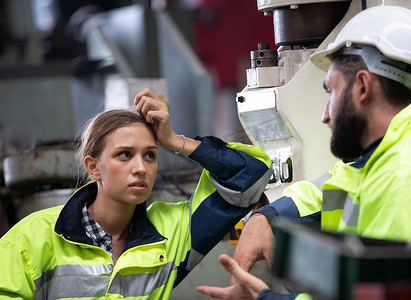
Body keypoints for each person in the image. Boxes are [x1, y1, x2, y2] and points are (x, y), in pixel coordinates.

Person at [197, 5, 411, 300]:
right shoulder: (409, 144)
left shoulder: (407, 177)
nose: (325, 116)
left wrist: (264, 299)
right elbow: (331, 186)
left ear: (363, 87)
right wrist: (269, 216)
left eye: (331, 91)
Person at [0, 88, 272, 299]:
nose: (141, 168)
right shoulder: (30, 239)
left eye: (150, 155)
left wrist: (174, 141)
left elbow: (250, 175)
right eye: (125, 155)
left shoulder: (171, 233)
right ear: (93, 167)